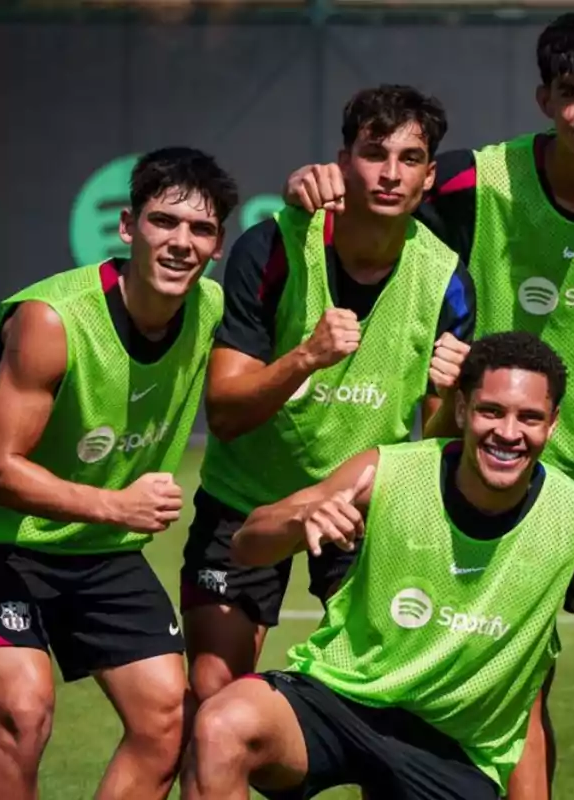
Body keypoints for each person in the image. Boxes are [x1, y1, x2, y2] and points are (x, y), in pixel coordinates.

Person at [282, 11, 574, 799]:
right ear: (544, 97)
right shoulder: (477, 179)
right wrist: (320, 178)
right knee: (511, 685)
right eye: (572, 92)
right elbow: (388, 185)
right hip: (496, 460)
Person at [179, 331, 574, 800]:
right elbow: (245, 546)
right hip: (345, 696)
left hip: (453, 749)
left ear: (552, 424)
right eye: (491, 411)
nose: (508, 433)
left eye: (529, 418)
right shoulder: (386, 471)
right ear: (461, 408)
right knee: (222, 725)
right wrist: (299, 519)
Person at [180, 84, 476, 709]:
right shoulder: (274, 247)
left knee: (386, 703)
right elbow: (227, 413)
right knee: (214, 697)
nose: (391, 173)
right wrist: (306, 357)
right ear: (342, 162)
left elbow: (442, 446)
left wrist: (450, 395)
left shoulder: (446, 278)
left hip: (361, 508)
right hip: (246, 502)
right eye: (374, 153)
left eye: (410, 158)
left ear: (427, 177)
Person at [0, 147, 237, 800]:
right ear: (129, 227)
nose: (181, 242)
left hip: (100, 554)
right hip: (6, 544)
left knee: (168, 719)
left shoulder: (211, 312)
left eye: (201, 229)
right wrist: (114, 507)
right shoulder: (53, 320)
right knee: (21, 708)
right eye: (165, 222)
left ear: (217, 246)